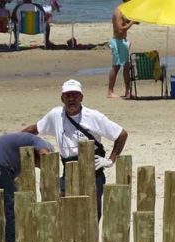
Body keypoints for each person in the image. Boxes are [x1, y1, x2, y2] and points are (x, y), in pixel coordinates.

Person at [23, 79, 128, 220]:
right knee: (65, 210)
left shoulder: (93, 116)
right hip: (68, 169)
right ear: (62, 98)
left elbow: (121, 134)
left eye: (75, 95)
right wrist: (13, 141)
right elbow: (34, 129)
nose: (71, 98)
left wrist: (110, 160)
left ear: (81, 97)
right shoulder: (55, 115)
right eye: (67, 95)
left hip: (92, 170)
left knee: (91, 213)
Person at [108, 0, 134, 99]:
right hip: (117, 42)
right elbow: (120, 29)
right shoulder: (118, 11)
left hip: (123, 41)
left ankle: (128, 91)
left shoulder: (125, 11)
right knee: (116, 66)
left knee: (127, 66)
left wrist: (134, 19)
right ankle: (110, 91)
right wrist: (131, 23)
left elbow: (126, 22)